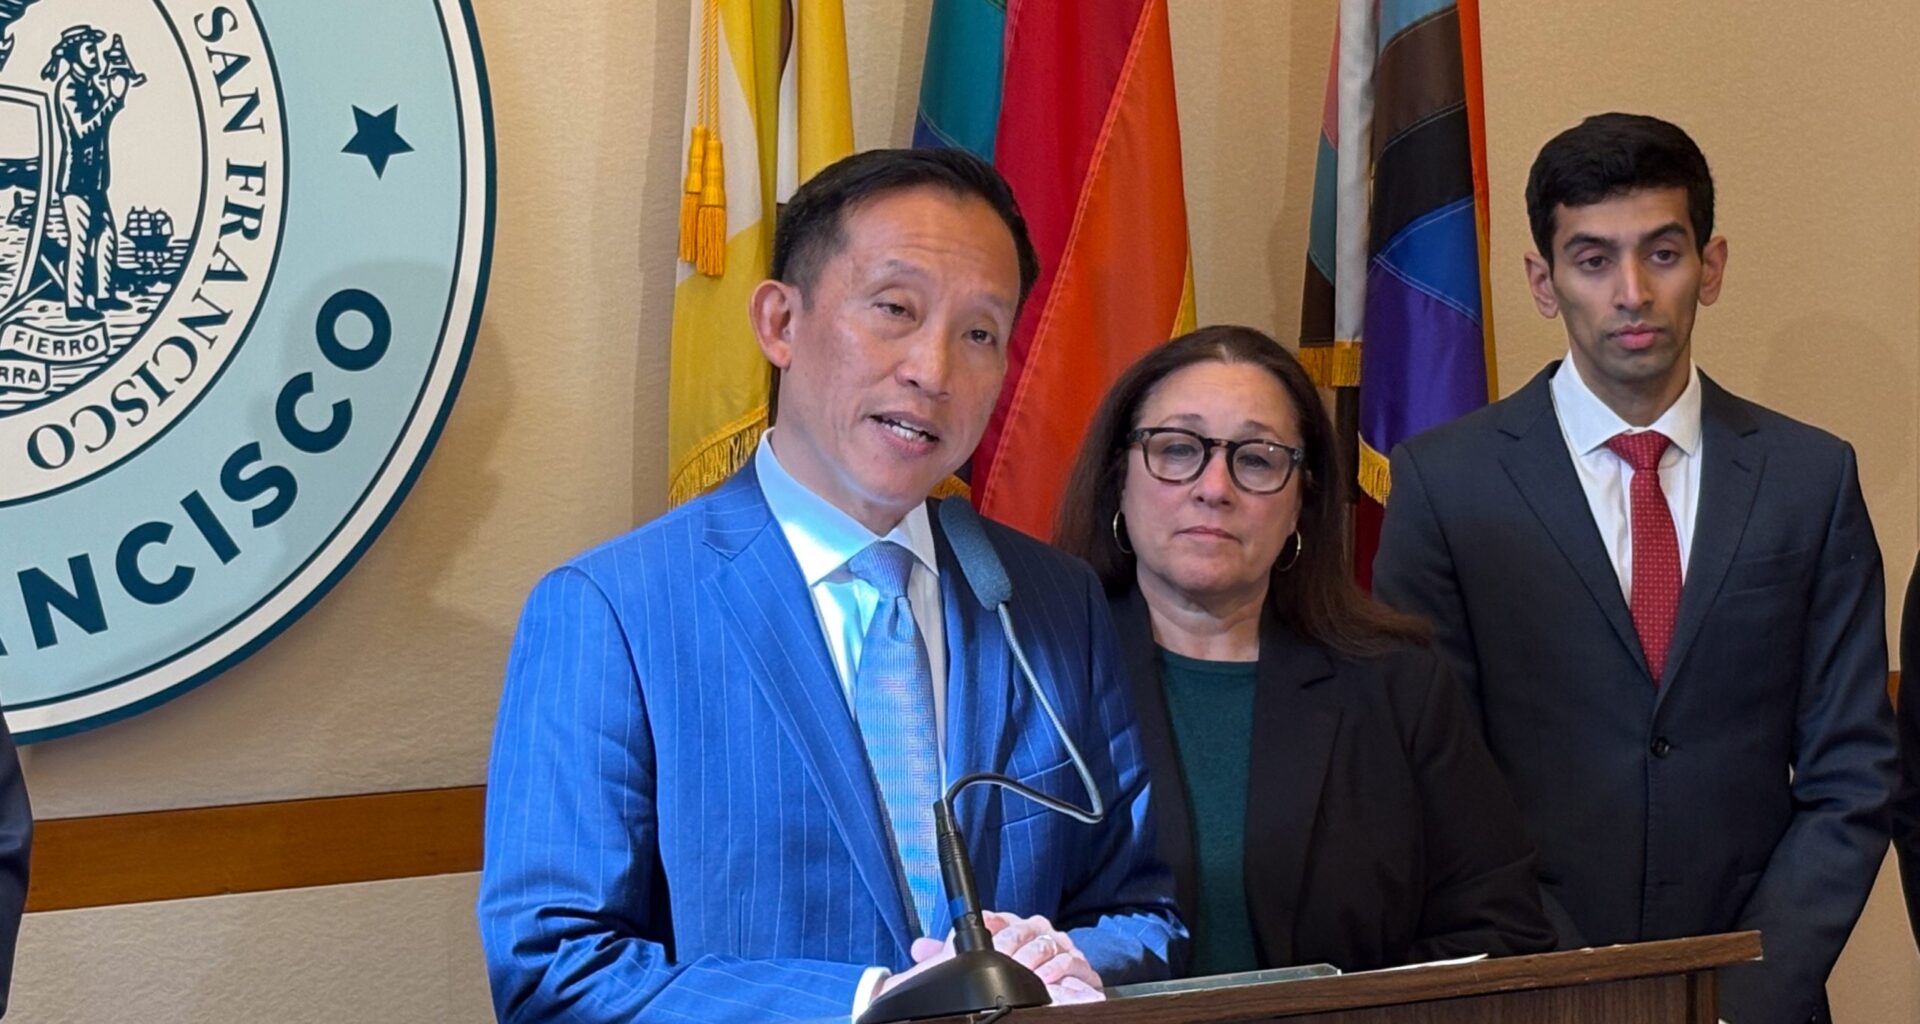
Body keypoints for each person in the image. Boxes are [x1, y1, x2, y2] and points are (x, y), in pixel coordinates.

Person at [477, 147, 1183, 1023]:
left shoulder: (1049, 599)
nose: (933, 370)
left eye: (979, 334)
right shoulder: (612, 611)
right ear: (780, 322)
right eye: (895, 309)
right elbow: (556, 971)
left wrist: (1063, 961)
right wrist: (867, 1005)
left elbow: (1140, 912)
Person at [1373, 113, 1895, 1024]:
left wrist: (1738, 994)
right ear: (1543, 282)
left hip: (1757, 999)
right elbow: (1432, 780)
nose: (1632, 293)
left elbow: (1853, 772)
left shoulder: (1810, 478)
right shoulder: (1444, 485)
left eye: (1662, 253)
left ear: (1711, 267)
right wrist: (1575, 992)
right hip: (1530, 991)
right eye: (1593, 260)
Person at [1054, 324, 1553, 976]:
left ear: (1301, 503)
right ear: (1119, 477)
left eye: (1257, 459)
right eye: (1177, 450)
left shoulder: (1397, 685)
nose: (1214, 487)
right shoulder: (1037, 673)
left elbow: (1501, 928)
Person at [42, 25, 131, 323]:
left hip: (95, 180)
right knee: (80, 239)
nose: (96, 54)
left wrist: (113, 94)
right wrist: (114, 101)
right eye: (89, 49)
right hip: (76, 181)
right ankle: (76, 303)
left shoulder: (92, 87)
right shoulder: (68, 88)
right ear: (74, 54)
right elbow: (84, 131)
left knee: (106, 235)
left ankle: (104, 294)